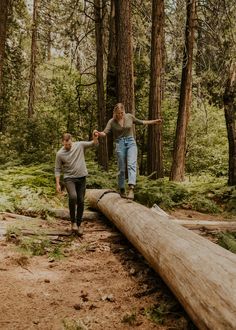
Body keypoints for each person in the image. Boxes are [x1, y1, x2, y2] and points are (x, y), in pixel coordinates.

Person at [94, 103, 162, 200]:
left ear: (124, 111)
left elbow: (142, 122)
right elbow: (105, 133)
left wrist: (154, 121)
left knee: (131, 164)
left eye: (122, 113)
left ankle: (131, 188)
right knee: (121, 168)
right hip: (119, 144)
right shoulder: (112, 122)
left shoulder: (129, 117)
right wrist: (98, 133)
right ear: (115, 113)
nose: (120, 115)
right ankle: (122, 189)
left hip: (131, 142)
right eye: (118, 113)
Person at [55, 132, 98, 235]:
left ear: (71, 141)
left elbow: (93, 144)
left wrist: (95, 138)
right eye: (65, 145)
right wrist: (57, 184)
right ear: (62, 142)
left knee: (81, 201)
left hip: (82, 178)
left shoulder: (79, 145)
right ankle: (73, 222)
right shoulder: (60, 154)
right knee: (73, 197)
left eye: (69, 144)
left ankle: (79, 224)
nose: (68, 147)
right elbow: (57, 169)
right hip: (69, 179)